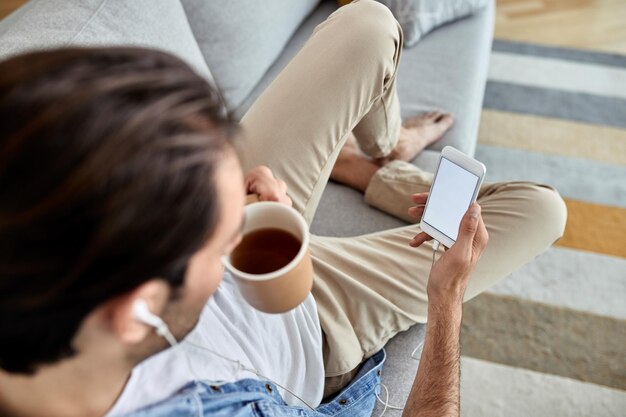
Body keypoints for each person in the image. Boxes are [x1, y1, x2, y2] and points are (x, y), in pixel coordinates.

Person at [0, 1, 567, 416]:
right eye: (223, 237)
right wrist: (446, 305)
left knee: (367, 26)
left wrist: (247, 210)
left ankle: (377, 155)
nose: (261, 195)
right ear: (138, 310)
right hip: (320, 328)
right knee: (540, 211)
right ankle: (367, 171)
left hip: (245, 287)